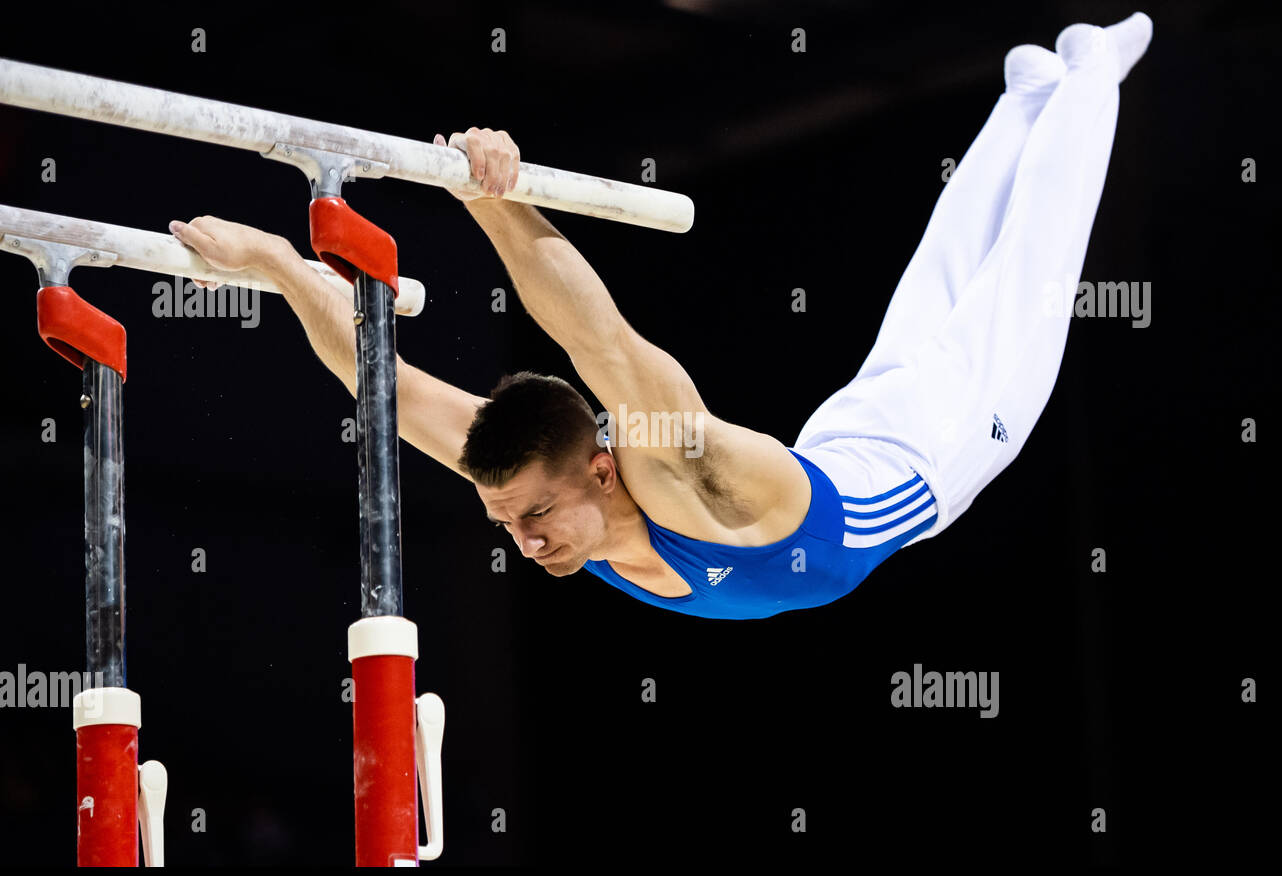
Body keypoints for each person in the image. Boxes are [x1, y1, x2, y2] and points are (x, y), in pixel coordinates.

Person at [170, 14, 1153, 620]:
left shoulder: (675, 465)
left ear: (605, 459)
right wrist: (279, 263)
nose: (521, 536)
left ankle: (1091, 74)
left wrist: (494, 198)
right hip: (889, 455)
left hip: (919, 462)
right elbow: (377, 381)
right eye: (513, 517)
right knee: (952, 284)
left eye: (529, 512)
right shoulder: (567, 480)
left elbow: (597, 341)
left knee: (1021, 277)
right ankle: (1028, 99)